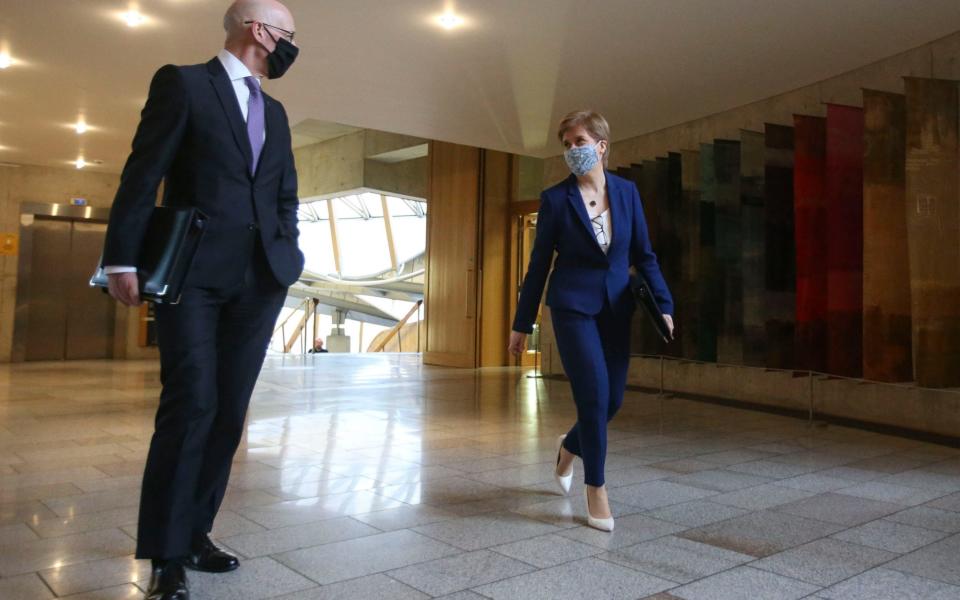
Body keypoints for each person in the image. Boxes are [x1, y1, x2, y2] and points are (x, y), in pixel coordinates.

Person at [101, 1, 303, 597]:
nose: (293, 45)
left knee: (227, 412)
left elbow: (285, 192)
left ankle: (195, 534)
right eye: (289, 34)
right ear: (258, 29)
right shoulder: (184, 84)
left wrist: (288, 251)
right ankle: (164, 553)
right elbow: (143, 173)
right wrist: (121, 257)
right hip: (193, 276)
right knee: (190, 402)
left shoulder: (278, 111)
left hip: (261, 280)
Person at [508, 110, 674, 532]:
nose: (572, 151)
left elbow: (644, 255)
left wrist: (665, 304)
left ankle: (568, 447)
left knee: (612, 400)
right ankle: (595, 487)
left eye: (579, 142)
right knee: (594, 398)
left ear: (601, 145)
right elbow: (539, 264)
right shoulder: (555, 199)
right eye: (566, 145)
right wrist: (522, 323)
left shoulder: (627, 192)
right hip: (572, 309)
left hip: (617, 309)